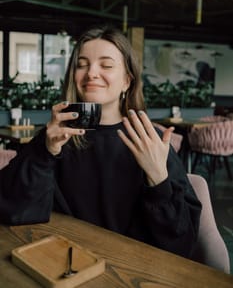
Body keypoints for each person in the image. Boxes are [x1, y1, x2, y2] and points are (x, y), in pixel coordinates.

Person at [0, 24, 201, 258]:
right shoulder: (55, 137)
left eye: (106, 65)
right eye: (82, 65)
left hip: (130, 267)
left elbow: (183, 242)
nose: (91, 73)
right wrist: (45, 151)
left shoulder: (149, 141)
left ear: (127, 81)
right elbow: (11, 209)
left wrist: (158, 177)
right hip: (62, 258)